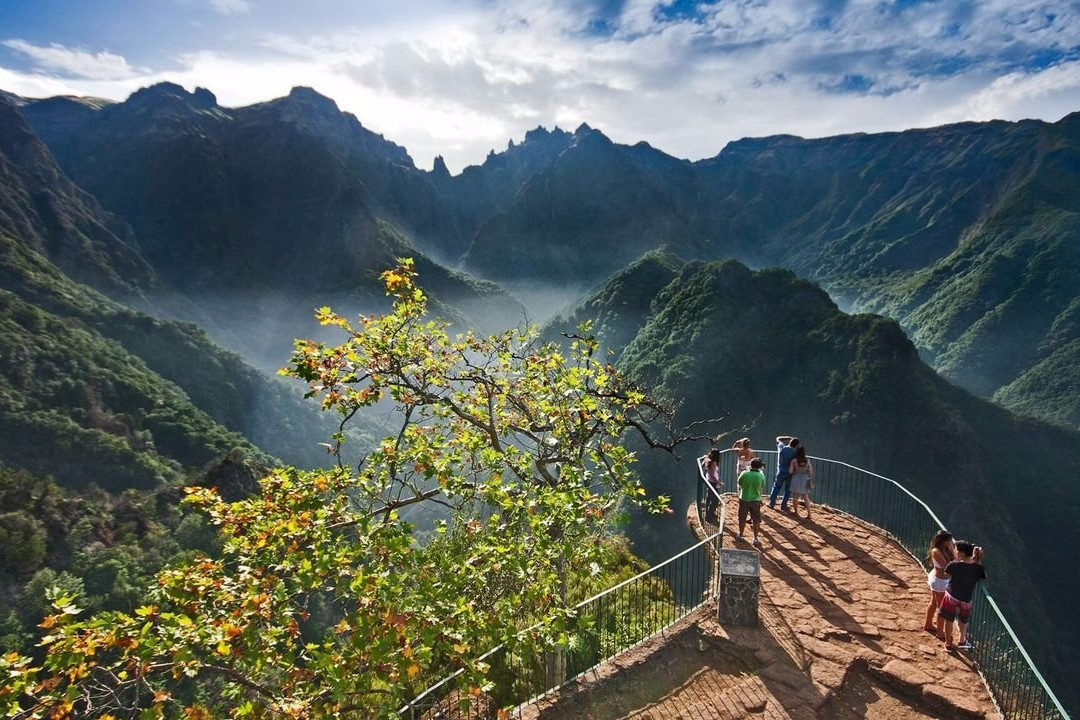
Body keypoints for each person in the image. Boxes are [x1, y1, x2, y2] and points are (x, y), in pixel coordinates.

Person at [938, 541, 987, 652]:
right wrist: (978, 559)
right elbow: (983, 577)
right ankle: (962, 641)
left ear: (961, 553)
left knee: (949, 620)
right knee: (964, 621)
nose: (954, 551)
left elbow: (946, 574)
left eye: (955, 550)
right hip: (966, 598)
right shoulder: (978, 568)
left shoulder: (954, 565)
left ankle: (948, 644)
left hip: (951, 595)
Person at [923, 530, 955, 639]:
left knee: (934, 603)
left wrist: (952, 550)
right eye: (949, 541)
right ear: (943, 541)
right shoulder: (936, 551)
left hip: (942, 580)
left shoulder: (946, 549)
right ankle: (940, 632)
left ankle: (928, 624)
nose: (951, 542)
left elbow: (954, 561)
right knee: (942, 608)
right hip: (939, 582)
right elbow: (948, 567)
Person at [737, 457, 767, 547]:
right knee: (756, 520)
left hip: (744, 498)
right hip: (756, 500)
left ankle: (741, 535)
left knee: (742, 518)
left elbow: (740, 483)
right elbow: (762, 486)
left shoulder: (744, 473)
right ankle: (755, 539)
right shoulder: (761, 475)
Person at [768, 436, 799, 511]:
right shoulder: (796, 453)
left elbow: (778, 439)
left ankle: (772, 503)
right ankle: (784, 505)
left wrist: (788, 437)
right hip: (790, 473)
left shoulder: (782, 447)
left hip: (781, 471)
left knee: (776, 487)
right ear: (796, 445)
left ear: (789, 442)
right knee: (788, 489)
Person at [787, 445, 813, 519]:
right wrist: (809, 478)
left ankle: (796, 513)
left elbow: (790, 471)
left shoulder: (794, 461)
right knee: (806, 497)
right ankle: (809, 514)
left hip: (796, 478)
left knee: (795, 497)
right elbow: (810, 472)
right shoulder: (807, 460)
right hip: (805, 479)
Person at [703, 455, 721, 522]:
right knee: (715, 500)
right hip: (713, 482)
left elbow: (703, 465)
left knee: (709, 497)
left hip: (709, 481)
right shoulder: (713, 463)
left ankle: (708, 514)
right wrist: (718, 482)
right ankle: (709, 516)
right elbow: (712, 475)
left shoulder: (707, 460)